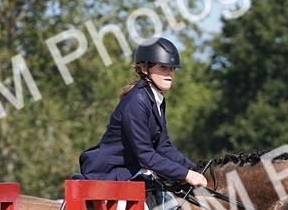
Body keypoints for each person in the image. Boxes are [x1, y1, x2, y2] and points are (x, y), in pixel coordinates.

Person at [79, 37, 208, 189]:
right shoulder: (137, 101)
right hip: (108, 173)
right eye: (163, 67)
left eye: (172, 68)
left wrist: (195, 169)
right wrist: (186, 174)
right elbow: (145, 155)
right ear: (145, 69)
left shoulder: (156, 98)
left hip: (132, 169)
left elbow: (163, 146)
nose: (170, 73)